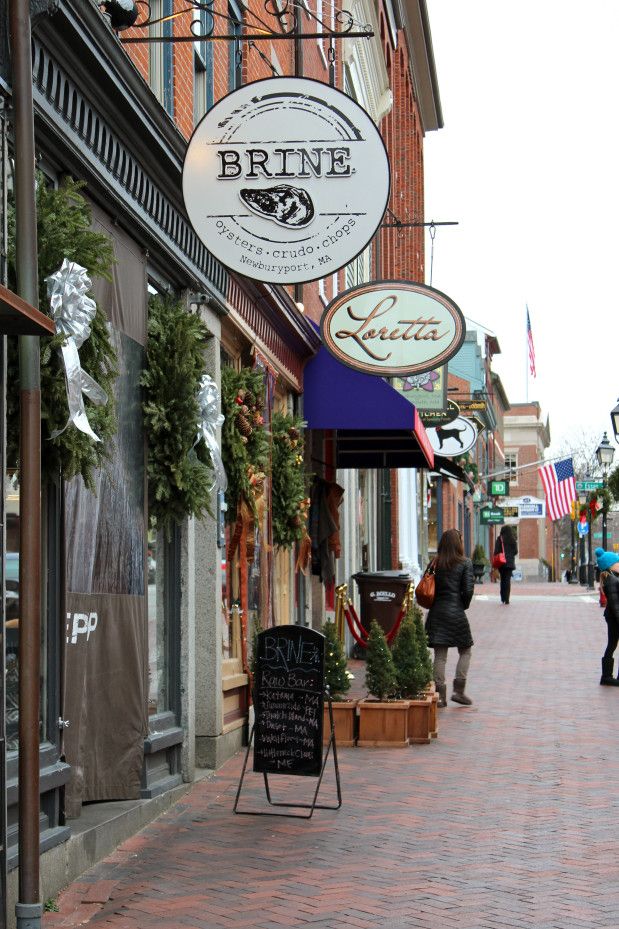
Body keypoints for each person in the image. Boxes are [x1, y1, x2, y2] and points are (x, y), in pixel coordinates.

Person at [424, 528, 475, 707]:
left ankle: (440, 695)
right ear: (458, 544)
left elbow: (426, 585)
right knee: (465, 650)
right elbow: (468, 590)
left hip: (437, 612)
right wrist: (462, 605)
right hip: (456, 612)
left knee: (440, 655)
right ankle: (459, 691)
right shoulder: (465, 563)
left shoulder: (435, 563)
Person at [595, 547, 619, 685]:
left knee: (612, 644)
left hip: (612, 617)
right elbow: (616, 605)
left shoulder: (612, 578)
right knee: (612, 644)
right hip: (614, 617)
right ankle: (606, 676)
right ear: (611, 565)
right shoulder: (611, 580)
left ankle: (607, 676)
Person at [494, 525, 518, 605]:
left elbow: (496, 551)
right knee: (507, 580)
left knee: (503, 579)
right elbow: (516, 551)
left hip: (501, 563)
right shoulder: (513, 540)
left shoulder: (500, 539)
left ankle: (502, 597)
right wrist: (510, 555)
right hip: (510, 563)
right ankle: (507, 598)